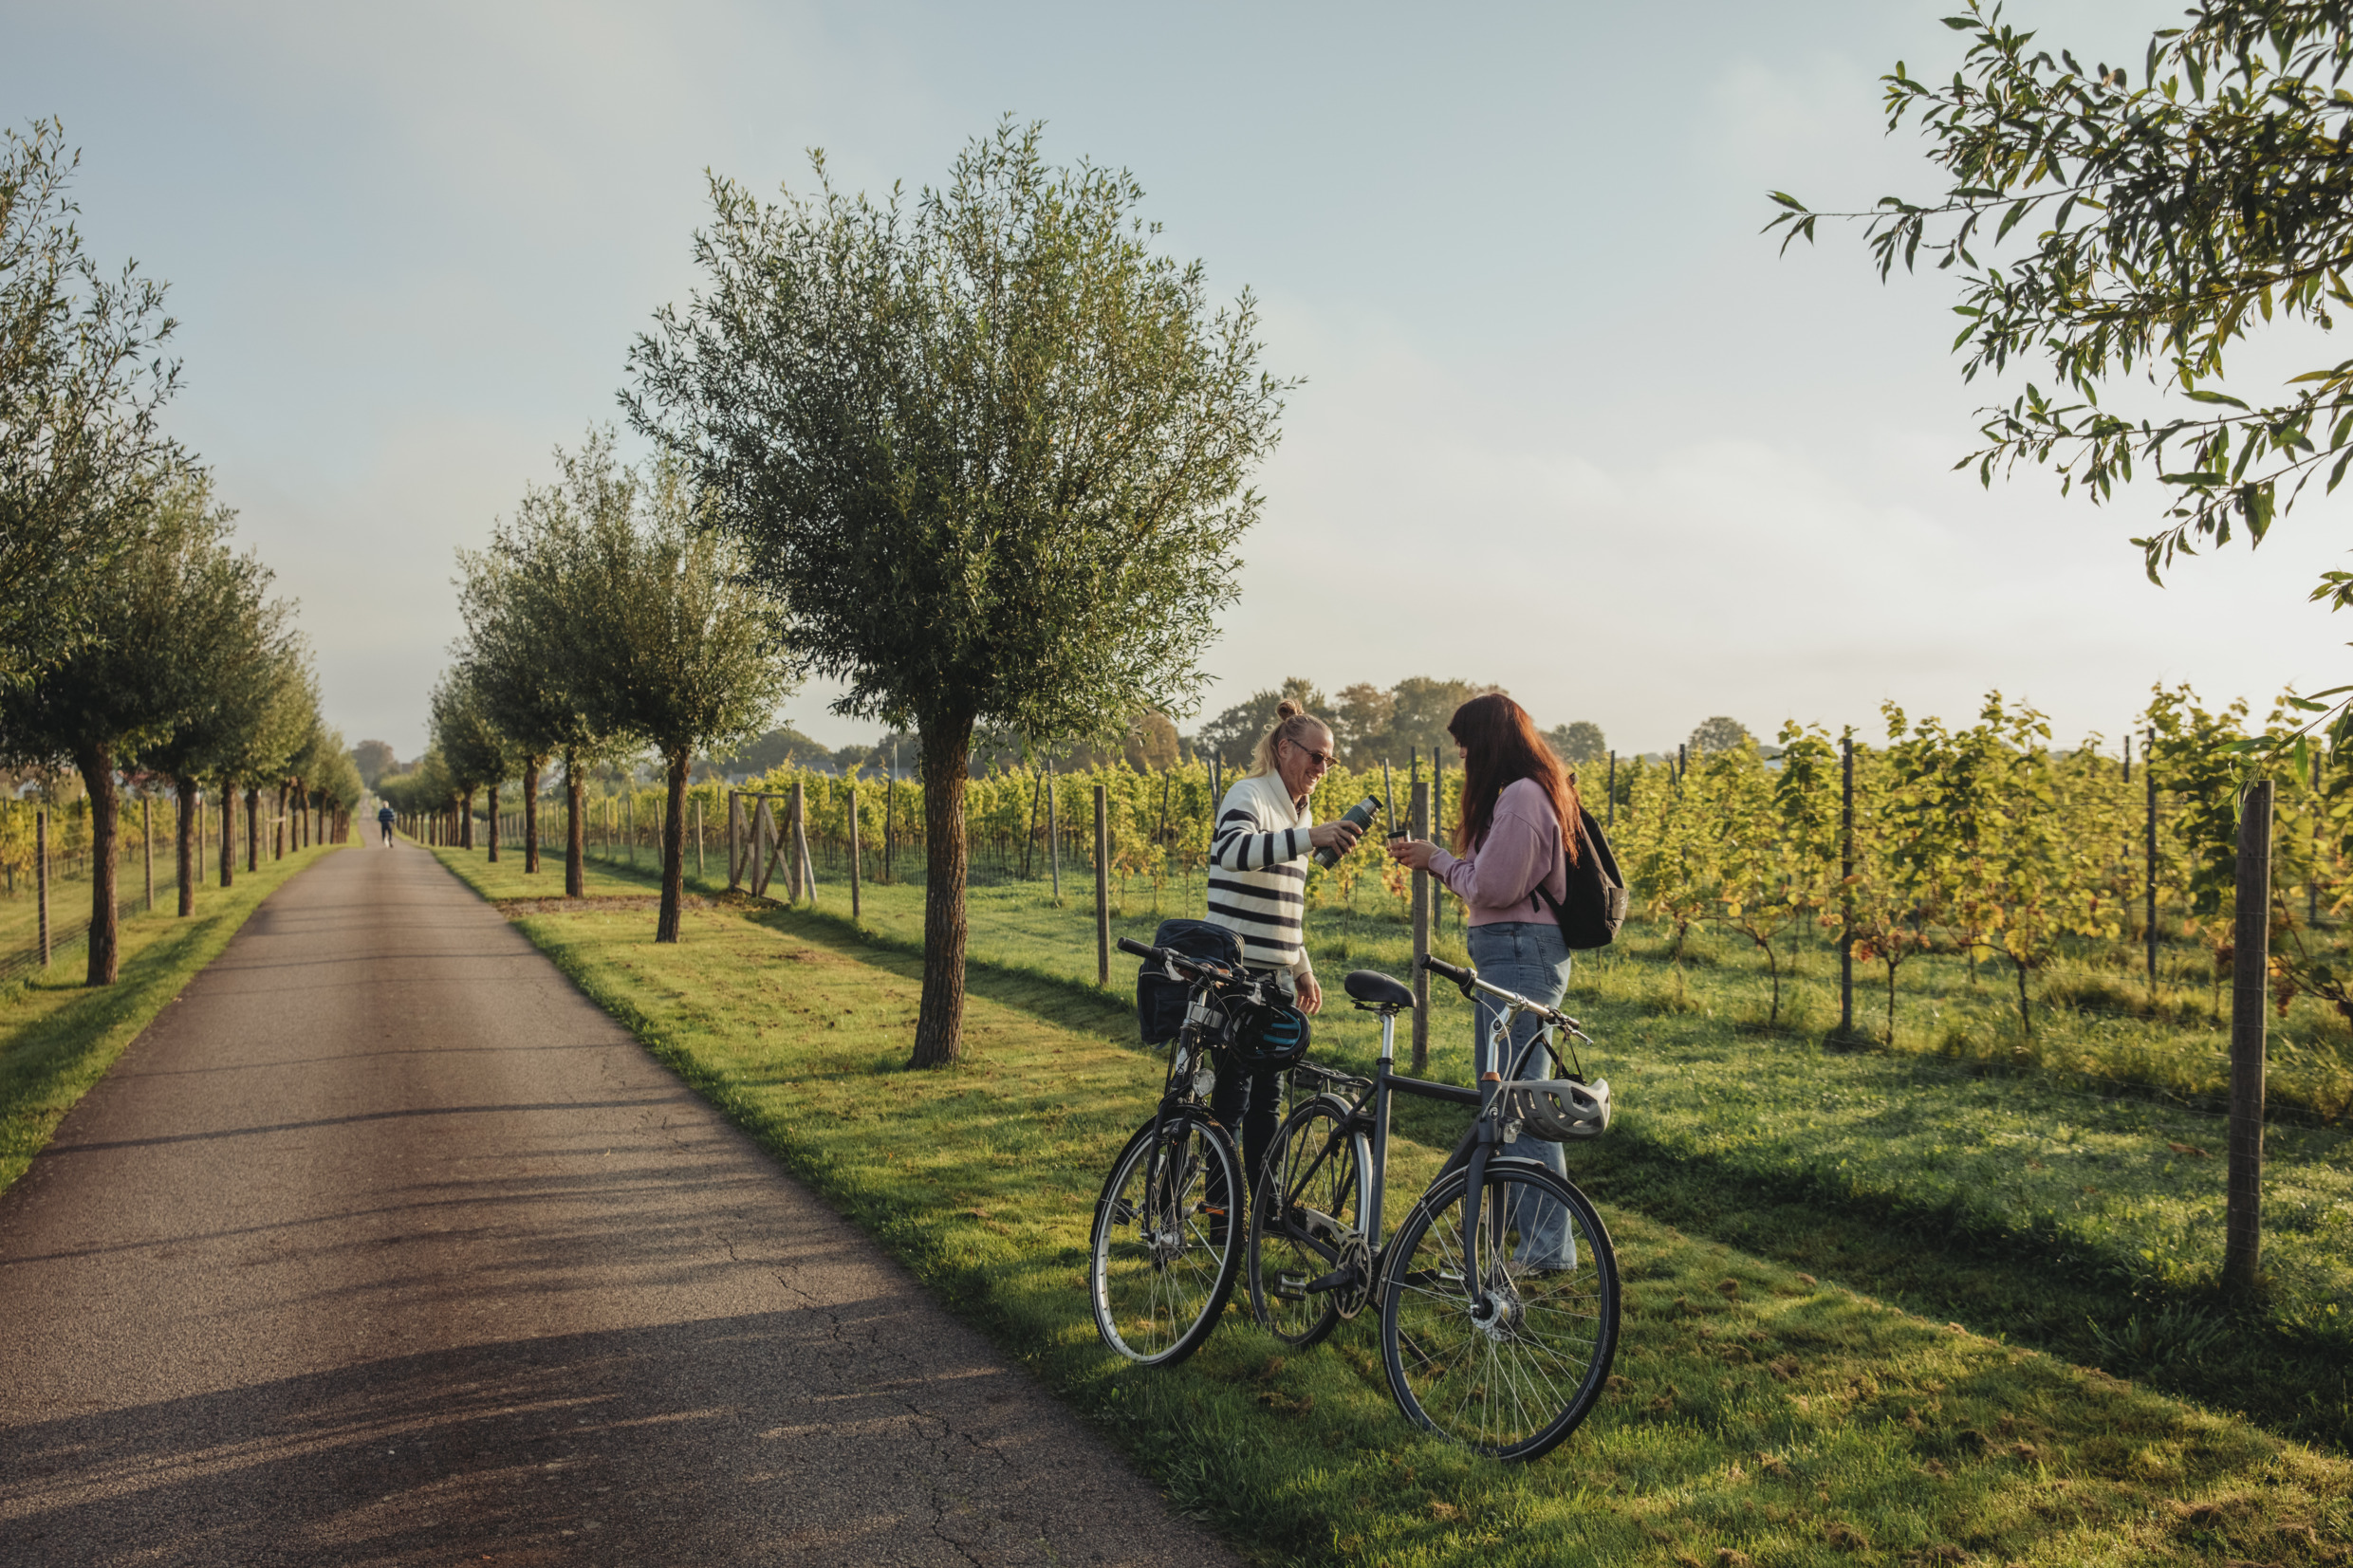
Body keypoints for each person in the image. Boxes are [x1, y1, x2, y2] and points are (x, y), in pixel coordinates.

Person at [1386, 692, 1578, 1270]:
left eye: (1466, 741)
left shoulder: (1522, 796)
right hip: (1514, 954)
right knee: (1505, 1104)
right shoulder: (1520, 794)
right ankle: (1506, 1247)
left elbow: (1492, 887)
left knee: (1515, 1103)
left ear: (1491, 740)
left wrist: (1438, 861)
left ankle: (1546, 1250)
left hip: (1521, 955)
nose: (1462, 753)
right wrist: (1448, 862)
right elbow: (1490, 880)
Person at [1203, 698, 1362, 1193]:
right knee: (1232, 1099)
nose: (1322, 768)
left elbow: (1283, 904)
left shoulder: (1300, 812)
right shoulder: (1247, 794)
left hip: (1274, 977)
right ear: (1284, 748)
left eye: (1329, 760)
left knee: (1268, 1100)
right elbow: (1230, 852)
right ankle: (1221, 1216)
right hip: (1234, 971)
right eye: (1316, 756)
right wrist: (1309, 836)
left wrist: (1301, 966)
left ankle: (1265, 1209)